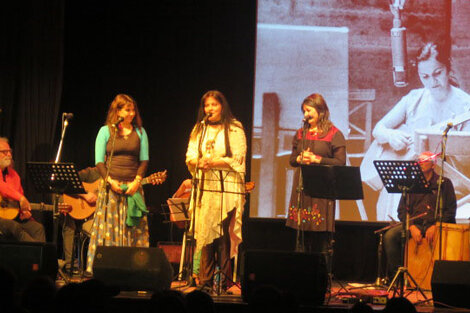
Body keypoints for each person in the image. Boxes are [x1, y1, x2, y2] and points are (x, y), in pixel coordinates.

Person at [361, 40, 470, 221]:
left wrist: (441, 152)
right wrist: (391, 135)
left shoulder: (465, 106)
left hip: (445, 183)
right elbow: (379, 129)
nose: (432, 82)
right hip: (407, 180)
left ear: (448, 68)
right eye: (425, 76)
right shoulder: (414, 99)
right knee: (395, 193)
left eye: (437, 73)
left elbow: (466, 160)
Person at [185, 90, 246, 292]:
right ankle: (205, 281)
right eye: (207, 105)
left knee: (222, 237)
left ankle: (224, 282)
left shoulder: (235, 128)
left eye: (214, 104)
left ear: (222, 106)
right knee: (205, 235)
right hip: (205, 187)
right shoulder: (199, 129)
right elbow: (190, 155)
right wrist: (198, 162)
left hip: (226, 187)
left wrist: (213, 162)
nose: (210, 109)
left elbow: (237, 158)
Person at [86, 94, 150, 273]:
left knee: (133, 228)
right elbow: (99, 161)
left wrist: (137, 181)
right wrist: (109, 181)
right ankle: (106, 268)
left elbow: (144, 160)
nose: (131, 113)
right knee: (109, 229)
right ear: (118, 111)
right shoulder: (106, 131)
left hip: (133, 187)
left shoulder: (140, 132)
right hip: (111, 188)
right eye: (127, 110)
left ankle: (134, 269)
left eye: (132, 110)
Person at [286, 93, 346, 254]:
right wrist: (299, 158)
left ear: (320, 111)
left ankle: (321, 275)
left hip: (322, 191)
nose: (306, 115)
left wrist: (316, 159)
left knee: (321, 240)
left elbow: (340, 162)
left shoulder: (334, 134)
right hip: (301, 189)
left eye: (309, 110)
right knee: (301, 238)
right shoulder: (300, 134)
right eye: (304, 111)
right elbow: (291, 160)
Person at [383, 151, 456, 277]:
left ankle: (439, 277)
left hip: (436, 225)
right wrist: (411, 226)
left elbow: (451, 210)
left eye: (424, 161)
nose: (420, 164)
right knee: (390, 236)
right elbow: (401, 211)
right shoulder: (411, 184)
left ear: (433, 165)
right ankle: (398, 276)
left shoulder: (444, 183)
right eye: (419, 161)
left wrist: (436, 226)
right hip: (415, 224)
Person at [0, 137, 45, 242]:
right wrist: (21, 198)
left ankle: (40, 257)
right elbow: (2, 186)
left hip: (12, 217)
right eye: (4, 152)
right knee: (15, 227)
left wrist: (23, 212)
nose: (9, 155)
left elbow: (20, 200)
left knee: (38, 228)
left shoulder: (14, 175)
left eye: (9, 152)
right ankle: (33, 254)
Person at [61, 167, 100, 272]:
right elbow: (66, 181)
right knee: (69, 224)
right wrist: (85, 194)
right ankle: (70, 265)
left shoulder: (116, 176)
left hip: (97, 217)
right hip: (78, 207)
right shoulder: (92, 172)